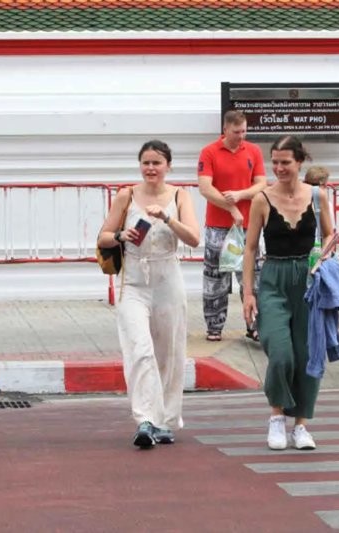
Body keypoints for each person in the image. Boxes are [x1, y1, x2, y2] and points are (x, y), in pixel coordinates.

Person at [97, 140, 199, 449]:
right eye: (146, 163)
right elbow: (103, 236)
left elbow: (194, 238)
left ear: (168, 166)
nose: (151, 168)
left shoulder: (180, 195)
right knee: (139, 349)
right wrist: (119, 236)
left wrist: (168, 218)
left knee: (168, 352)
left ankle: (165, 420)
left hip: (168, 281)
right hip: (135, 284)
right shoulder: (126, 195)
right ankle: (145, 418)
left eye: (157, 163)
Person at [242, 136, 334, 450]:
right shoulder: (261, 199)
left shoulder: (318, 196)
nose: (279, 168)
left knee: (307, 355)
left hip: (309, 281)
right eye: (275, 162)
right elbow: (251, 248)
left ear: (300, 162)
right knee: (280, 353)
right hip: (273, 279)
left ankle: (301, 426)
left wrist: (321, 258)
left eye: (286, 162)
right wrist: (247, 294)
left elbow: (332, 234)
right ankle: (276, 418)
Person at [197, 110, 267, 342]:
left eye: (244, 131)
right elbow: (206, 188)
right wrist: (230, 207)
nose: (241, 136)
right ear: (225, 129)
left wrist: (240, 195)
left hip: (249, 225)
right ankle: (214, 325)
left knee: (253, 277)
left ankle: (255, 325)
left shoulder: (253, 151)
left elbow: (261, 183)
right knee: (216, 278)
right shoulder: (209, 152)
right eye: (237, 132)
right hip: (218, 226)